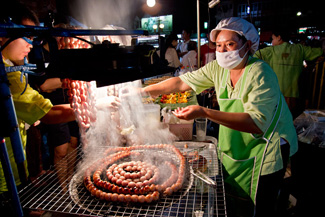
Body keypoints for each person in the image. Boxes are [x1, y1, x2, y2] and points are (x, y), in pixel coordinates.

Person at [134, 17, 298, 217]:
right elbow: (179, 83)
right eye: (219, 45)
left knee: (263, 205)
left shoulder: (261, 73)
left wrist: (204, 112)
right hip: (238, 145)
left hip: (267, 147)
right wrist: (140, 92)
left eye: (230, 44)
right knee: (237, 203)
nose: (222, 51)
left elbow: (257, 123)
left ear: (247, 45)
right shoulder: (217, 69)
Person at [0, 3, 75, 215]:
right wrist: (90, 108)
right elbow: (48, 113)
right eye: (26, 36)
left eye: (33, 38)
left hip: (14, 169)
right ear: (3, 35)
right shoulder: (6, 75)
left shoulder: (11, 68)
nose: (31, 45)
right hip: (3, 176)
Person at [254, 27, 323, 118]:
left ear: (279, 37)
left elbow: (254, 56)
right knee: (292, 119)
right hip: (295, 96)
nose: (272, 42)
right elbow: (319, 52)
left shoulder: (271, 51)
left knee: (277, 120)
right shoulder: (299, 49)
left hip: (275, 94)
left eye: (273, 39)